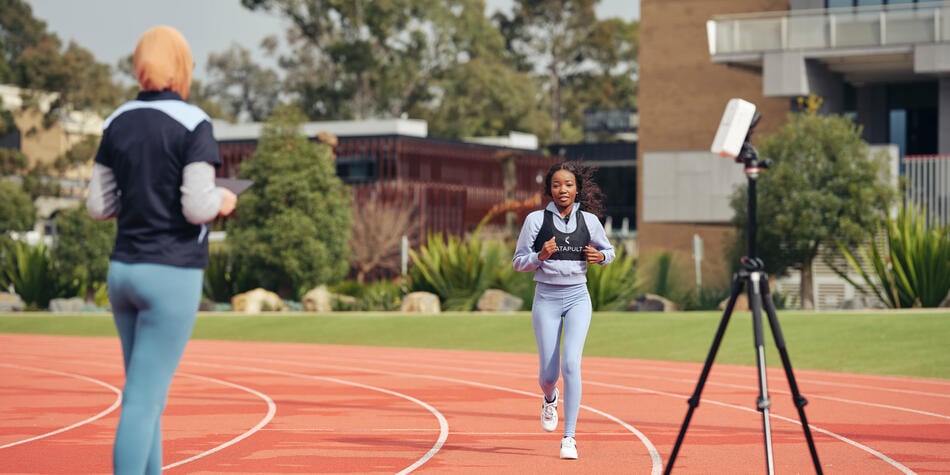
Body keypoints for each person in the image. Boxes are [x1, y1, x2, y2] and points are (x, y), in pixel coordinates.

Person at [86, 25, 237, 475]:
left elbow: (98, 205)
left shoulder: (116, 121)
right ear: (182, 65)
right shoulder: (194, 123)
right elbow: (197, 207)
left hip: (123, 270)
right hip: (171, 272)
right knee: (142, 399)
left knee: (146, 394)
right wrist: (225, 200)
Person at [512, 161, 615, 460]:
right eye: (556, 185)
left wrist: (601, 257)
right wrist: (539, 256)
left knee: (571, 363)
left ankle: (569, 437)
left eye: (568, 184)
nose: (563, 190)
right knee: (548, 373)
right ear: (549, 190)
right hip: (546, 297)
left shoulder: (590, 222)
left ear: (577, 189)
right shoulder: (535, 221)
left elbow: (610, 251)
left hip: (577, 297)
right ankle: (549, 396)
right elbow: (518, 261)